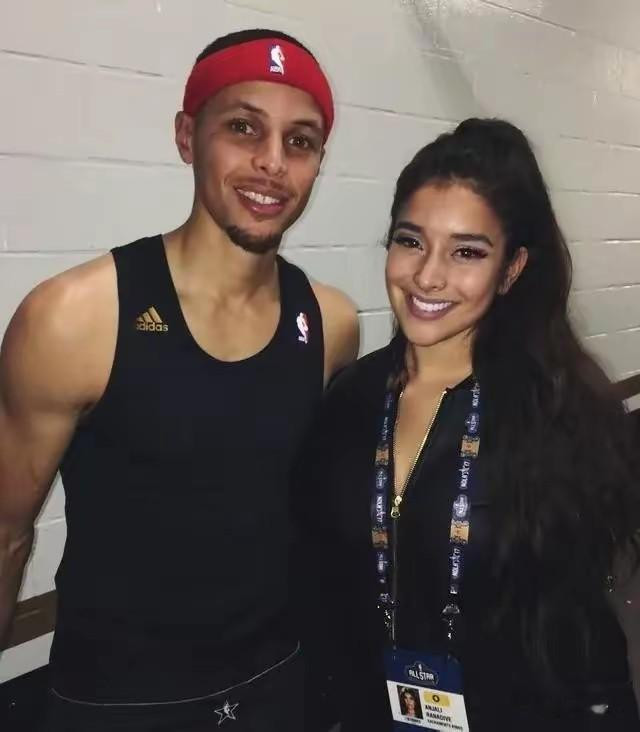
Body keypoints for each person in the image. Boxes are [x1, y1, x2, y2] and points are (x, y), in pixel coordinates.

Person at [0, 28, 358, 731]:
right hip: (115, 701)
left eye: (300, 141)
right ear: (187, 136)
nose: (272, 162)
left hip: (278, 684)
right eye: (243, 127)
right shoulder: (74, 316)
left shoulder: (332, 323)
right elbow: (6, 533)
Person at [299, 118, 640, 731]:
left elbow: (582, 632)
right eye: (410, 241)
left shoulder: (560, 413)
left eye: (467, 252)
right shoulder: (348, 401)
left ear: (512, 269)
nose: (428, 275)